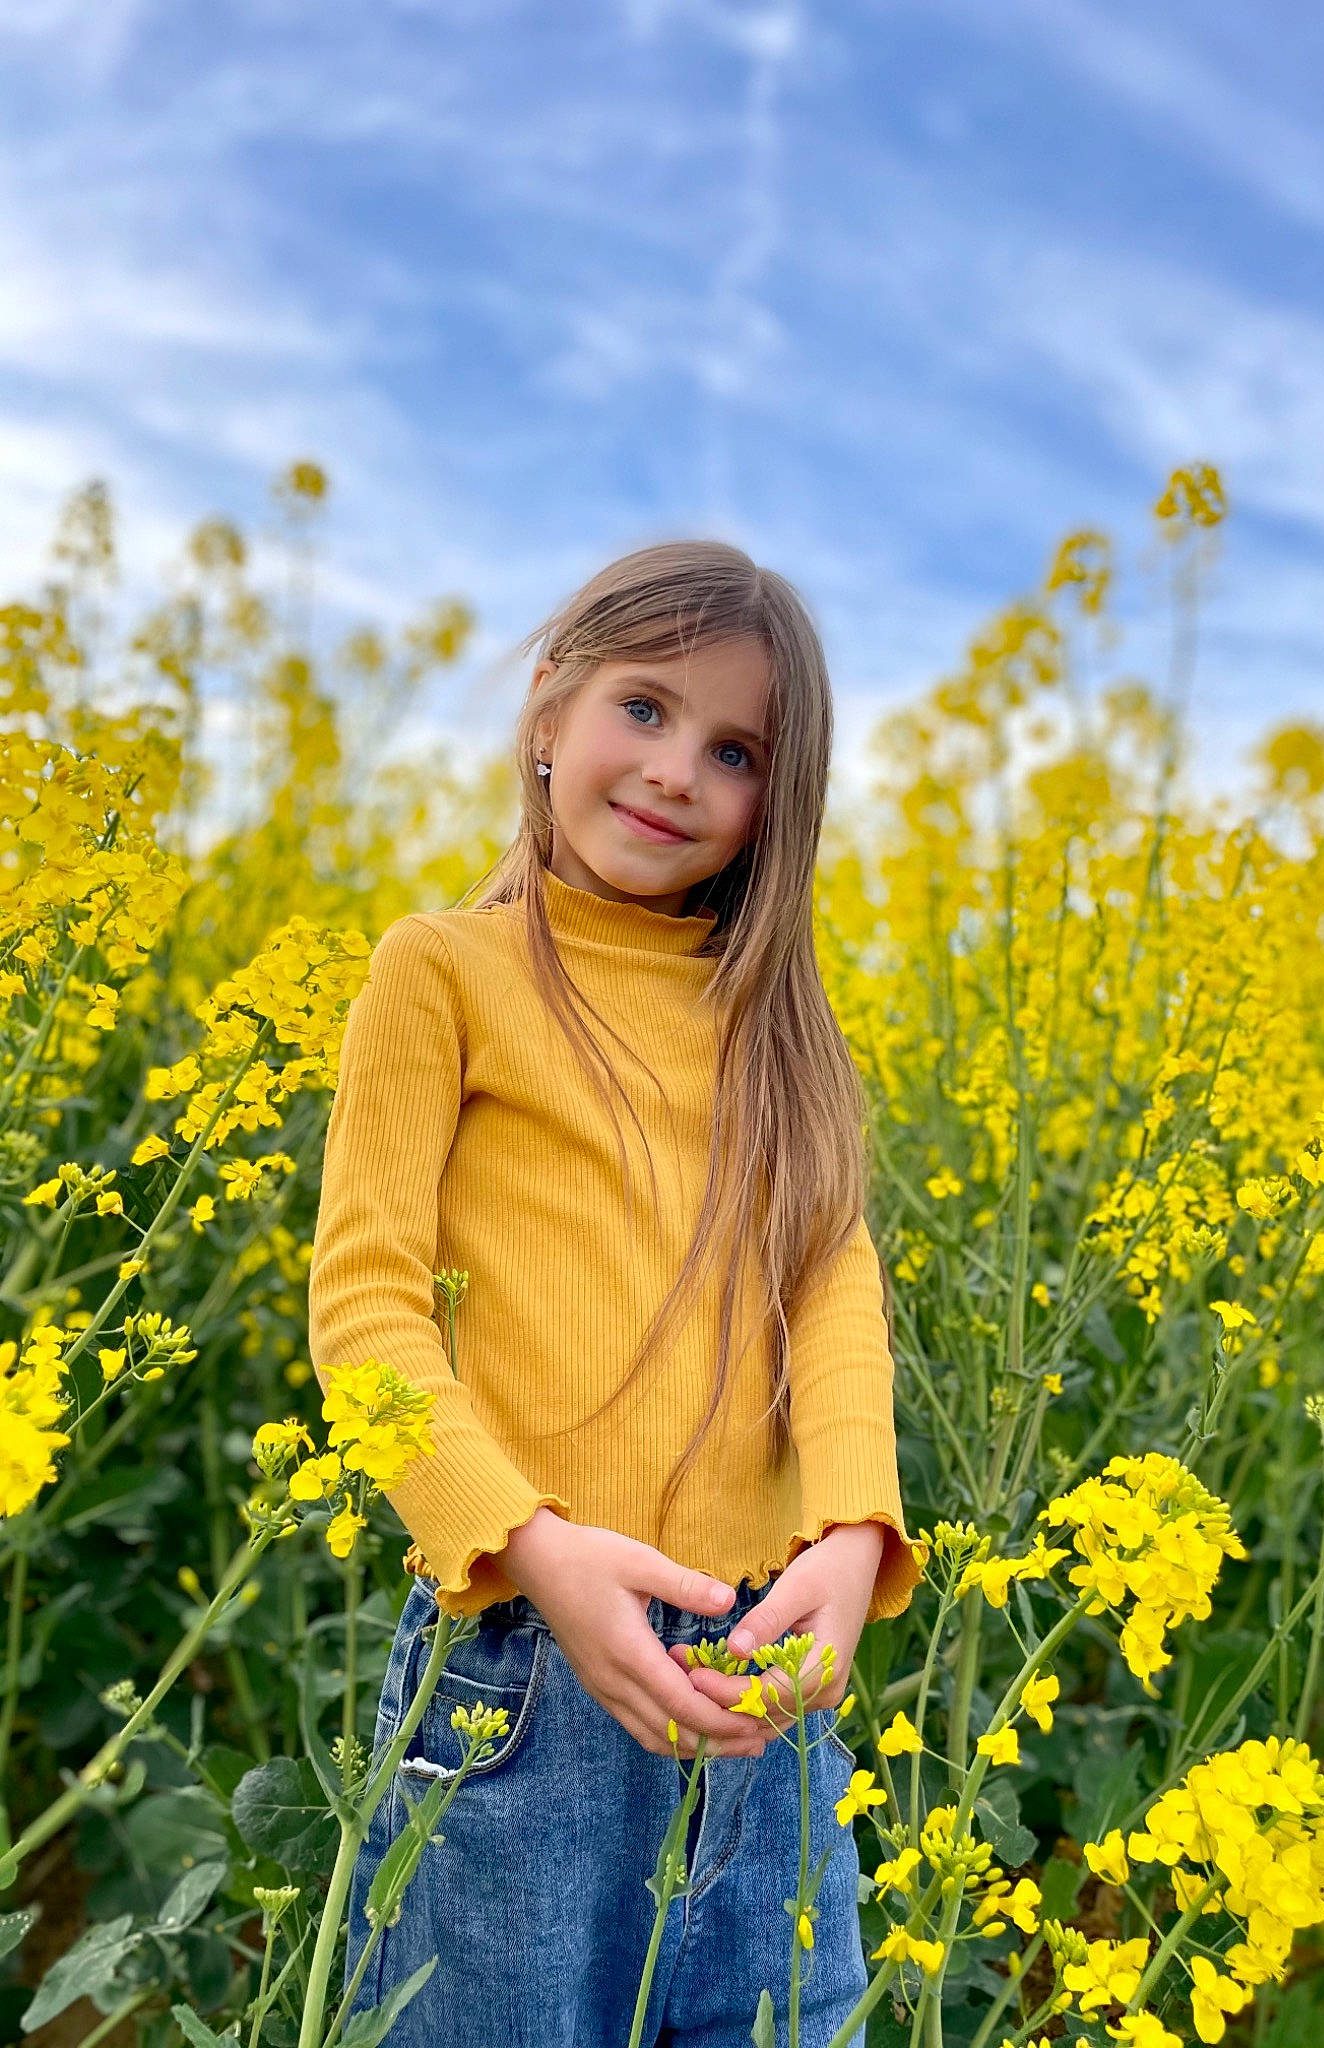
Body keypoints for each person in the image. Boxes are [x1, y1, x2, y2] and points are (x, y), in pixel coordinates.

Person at [307, 539, 923, 2047]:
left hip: (761, 1683)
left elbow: (831, 1278)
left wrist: (854, 1531)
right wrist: (530, 1545)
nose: (673, 772)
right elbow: (366, 1313)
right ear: (547, 708)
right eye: (642, 709)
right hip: (519, 1672)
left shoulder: (774, 1024)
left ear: (778, 802)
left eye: (735, 751)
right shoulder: (442, 972)